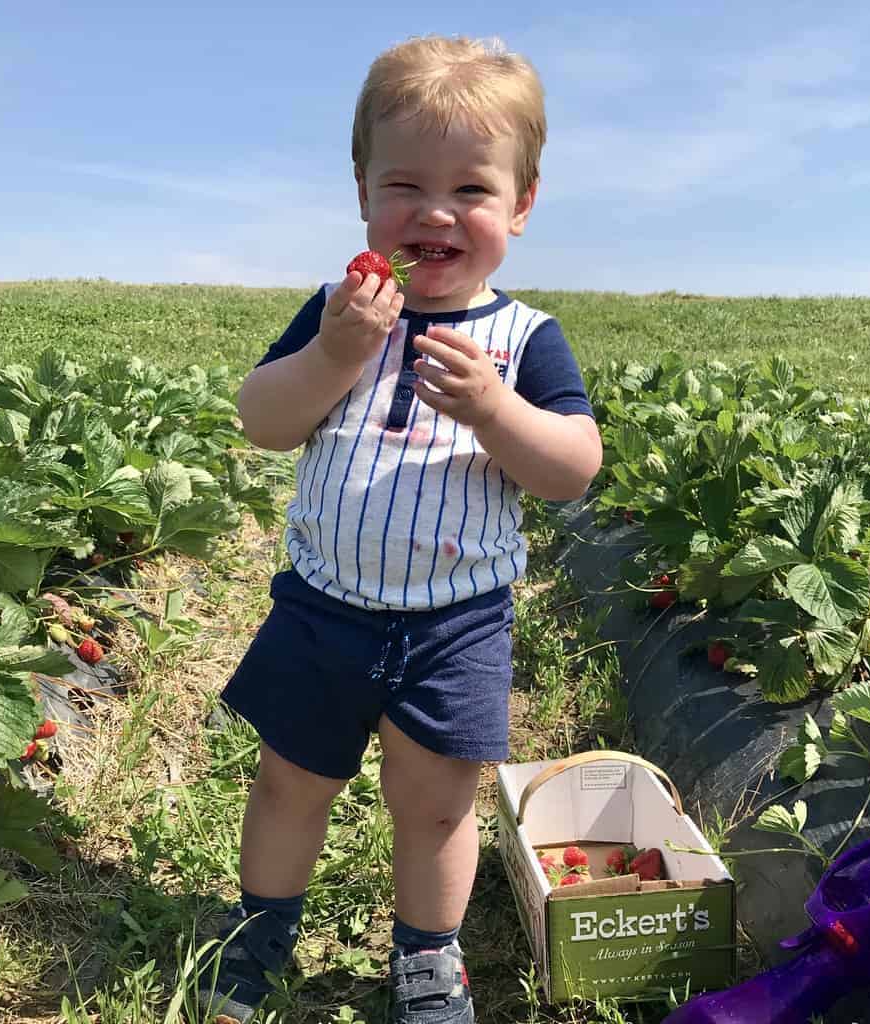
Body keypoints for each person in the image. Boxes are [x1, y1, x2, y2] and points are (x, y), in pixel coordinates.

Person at [203, 33, 603, 1024]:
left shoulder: (522, 341)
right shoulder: (339, 313)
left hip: (453, 625)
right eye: (404, 186)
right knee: (288, 784)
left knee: (434, 807)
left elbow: (572, 469)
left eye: (470, 188)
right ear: (363, 195)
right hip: (321, 609)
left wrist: (497, 414)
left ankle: (428, 956)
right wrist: (336, 352)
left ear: (521, 205)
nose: (434, 211)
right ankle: (258, 936)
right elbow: (264, 421)